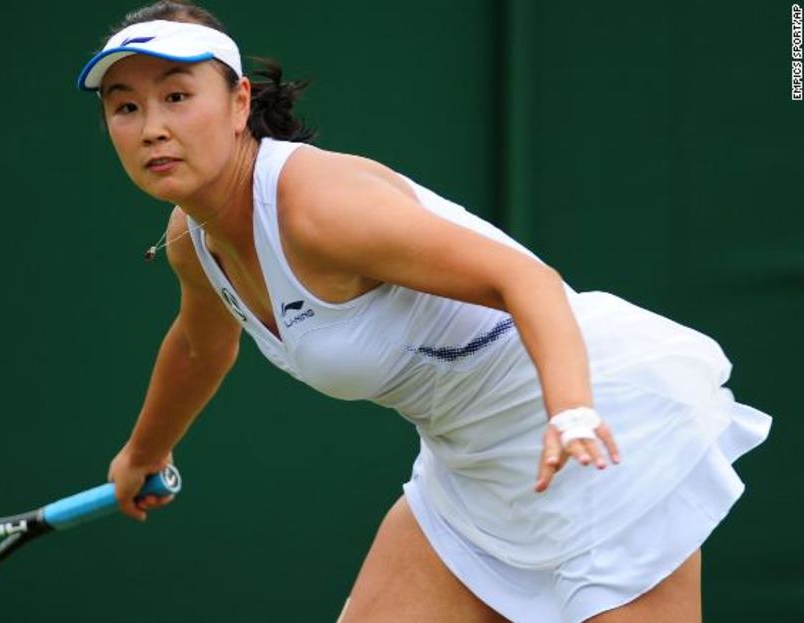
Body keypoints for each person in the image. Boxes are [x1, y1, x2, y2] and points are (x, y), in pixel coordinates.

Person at [75, 2, 771, 621]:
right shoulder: (190, 241)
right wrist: (146, 450)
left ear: (237, 103)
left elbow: (525, 278)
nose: (152, 128)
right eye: (126, 106)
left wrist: (572, 410)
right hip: (467, 475)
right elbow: (201, 346)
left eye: (177, 96)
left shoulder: (319, 208)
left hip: (599, 431)